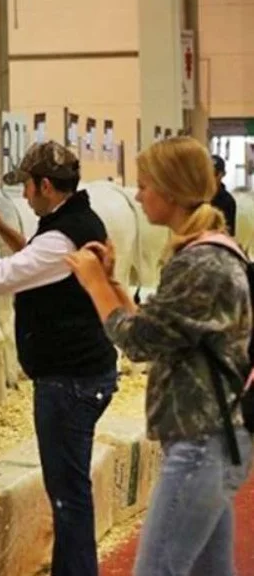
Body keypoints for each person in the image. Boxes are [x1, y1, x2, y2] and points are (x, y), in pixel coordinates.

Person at [66, 136, 253, 575]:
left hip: (202, 442)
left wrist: (94, 285)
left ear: (169, 191)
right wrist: (113, 285)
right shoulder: (209, 251)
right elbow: (161, 336)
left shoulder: (200, 262)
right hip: (211, 436)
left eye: (145, 184)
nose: (138, 195)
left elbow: (137, 343)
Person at [0, 141, 118, 576]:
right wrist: (3, 228)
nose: (24, 194)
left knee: (68, 495)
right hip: (85, 374)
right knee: (68, 490)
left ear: (45, 184)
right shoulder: (74, 221)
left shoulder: (63, 230)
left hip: (69, 381)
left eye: (26, 185)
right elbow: (41, 263)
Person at [211, 154, 237, 236]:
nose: (210, 178)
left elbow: (229, 232)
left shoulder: (228, 201)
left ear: (222, 174)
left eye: (214, 173)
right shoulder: (196, 197)